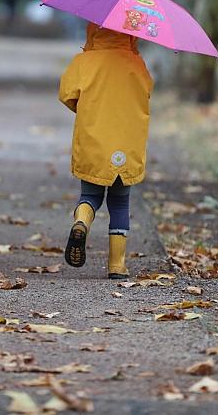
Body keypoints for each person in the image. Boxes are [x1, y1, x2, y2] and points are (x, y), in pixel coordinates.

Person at [58, 22, 153, 278]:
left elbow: (66, 94)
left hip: (94, 140)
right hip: (127, 143)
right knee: (120, 202)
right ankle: (117, 265)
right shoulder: (137, 64)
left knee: (90, 195)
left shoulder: (85, 61)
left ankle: (82, 222)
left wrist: (85, 108)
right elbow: (146, 93)